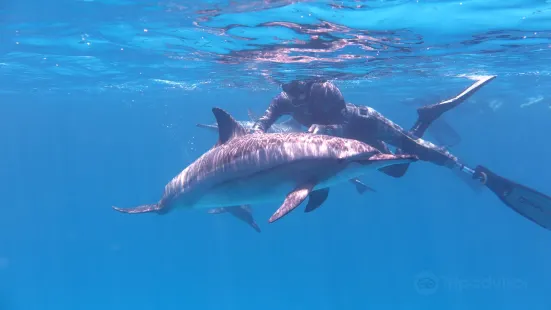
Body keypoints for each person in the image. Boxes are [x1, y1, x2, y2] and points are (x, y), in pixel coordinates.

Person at [251, 77, 495, 177]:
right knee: (397, 171)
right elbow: (263, 121)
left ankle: (461, 167)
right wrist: (253, 137)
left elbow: (345, 123)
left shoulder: (326, 91)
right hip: (350, 144)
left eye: (301, 94)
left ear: (309, 85)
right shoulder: (283, 100)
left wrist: (324, 131)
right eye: (291, 95)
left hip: (365, 123)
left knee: (412, 147)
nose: (297, 100)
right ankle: (423, 121)